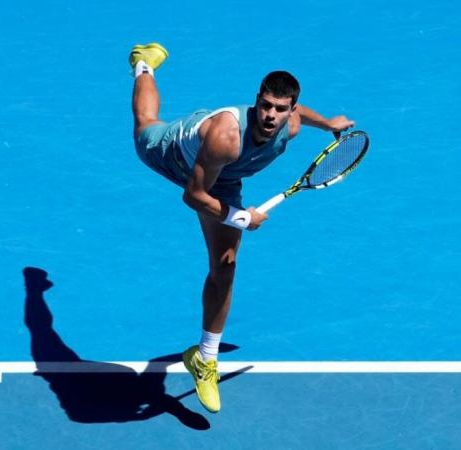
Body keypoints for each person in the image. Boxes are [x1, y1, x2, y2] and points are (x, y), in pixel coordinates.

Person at [129, 43, 355, 413]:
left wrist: (328, 123)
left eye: (280, 109)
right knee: (145, 127)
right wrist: (240, 217)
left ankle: (205, 357)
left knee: (226, 266)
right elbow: (193, 196)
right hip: (180, 157)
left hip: (225, 179)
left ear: (290, 111)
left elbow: (302, 118)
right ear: (256, 101)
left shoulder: (291, 124)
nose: (270, 115)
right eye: (265, 105)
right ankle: (143, 64)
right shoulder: (226, 138)